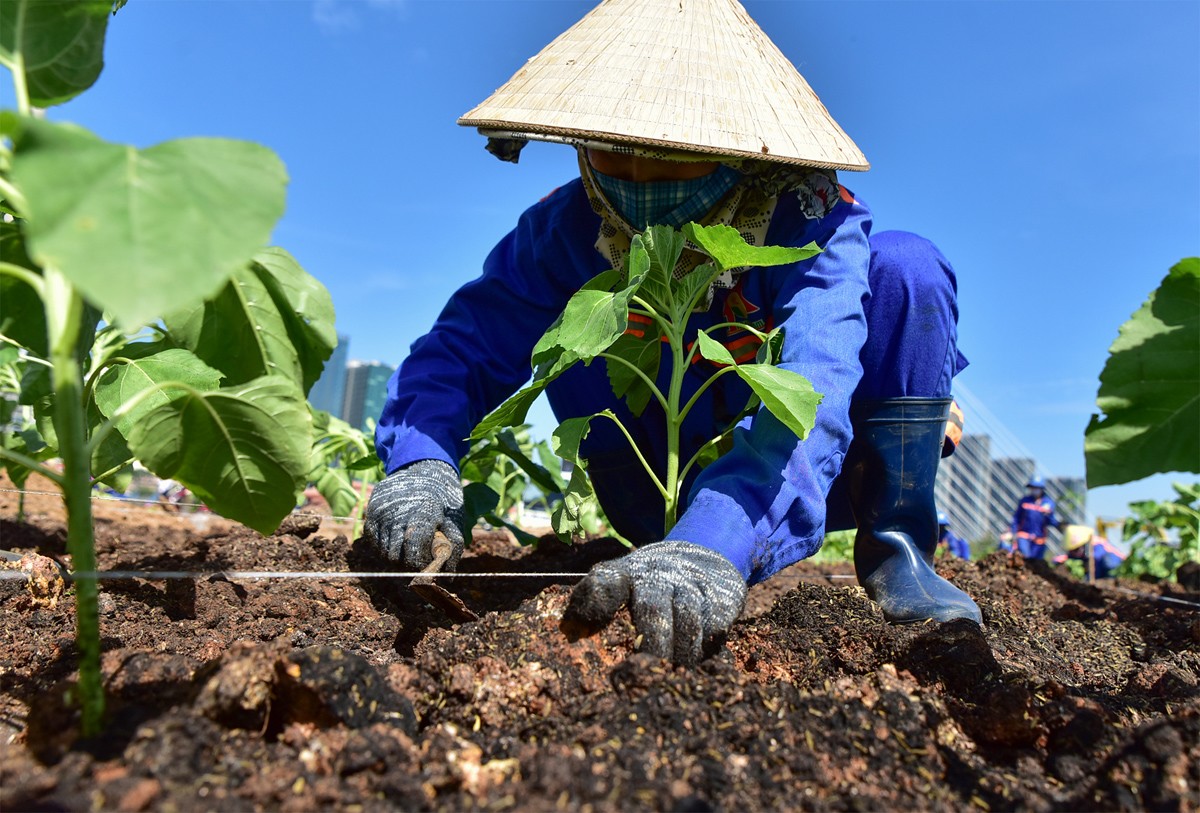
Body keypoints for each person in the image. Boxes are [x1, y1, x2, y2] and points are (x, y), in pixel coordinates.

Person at [364, 0, 983, 666]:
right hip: (640, 472)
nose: (637, 181)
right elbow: (462, 346)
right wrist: (421, 460)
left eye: (672, 157)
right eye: (616, 152)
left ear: (736, 150)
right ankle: (671, 537)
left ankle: (901, 552)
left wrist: (716, 535)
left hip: (798, 478)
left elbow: (814, 390)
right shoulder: (564, 229)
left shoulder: (808, 216)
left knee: (907, 269)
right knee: (576, 308)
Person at [1009, 476, 1061, 559]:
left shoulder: (1048, 503)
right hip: (1024, 536)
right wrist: (1013, 531)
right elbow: (1017, 518)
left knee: (1036, 562)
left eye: (1037, 488)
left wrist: (1059, 524)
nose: (1035, 490)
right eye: (1033, 488)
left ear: (1042, 489)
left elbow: (1051, 521)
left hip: (1039, 538)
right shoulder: (1025, 501)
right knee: (1025, 557)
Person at [1054, 525, 1126, 580]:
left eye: (1076, 550)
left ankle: (1112, 582)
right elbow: (1067, 558)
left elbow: (1096, 563)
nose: (1073, 553)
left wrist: (1088, 580)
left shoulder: (1097, 544)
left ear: (1083, 545)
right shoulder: (1081, 549)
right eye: (1071, 551)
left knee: (1108, 561)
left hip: (1118, 563)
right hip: (1099, 569)